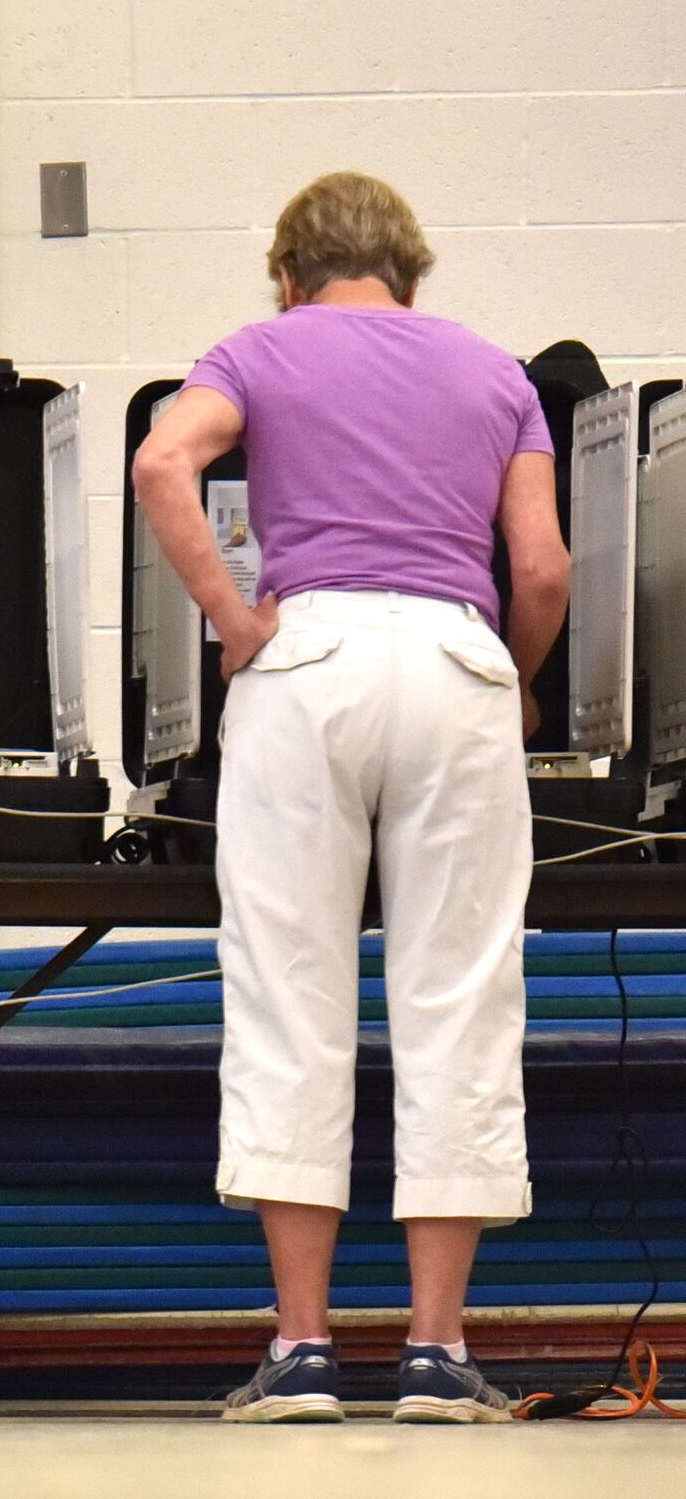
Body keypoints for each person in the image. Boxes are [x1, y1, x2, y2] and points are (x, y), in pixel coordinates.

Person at [132, 171, 566, 1425]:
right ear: (414, 276)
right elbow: (537, 566)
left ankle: (304, 1350)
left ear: (286, 275)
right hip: (454, 660)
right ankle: (436, 1352)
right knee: (461, 1002)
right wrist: (515, 684)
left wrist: (232, 618)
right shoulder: (496, 375)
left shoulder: (259, 349)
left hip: (305, 662)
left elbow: (165, 459)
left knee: (291, 995)